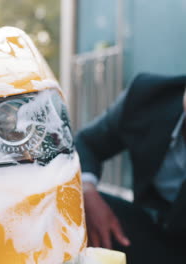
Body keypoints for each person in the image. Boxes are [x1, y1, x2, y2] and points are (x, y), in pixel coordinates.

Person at [75, 73, 186, 264]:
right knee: (71, 205)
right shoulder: (150, 95)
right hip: (150, 226)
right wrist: (87, 190)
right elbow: (86, 142)